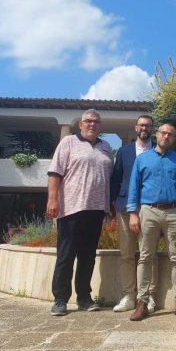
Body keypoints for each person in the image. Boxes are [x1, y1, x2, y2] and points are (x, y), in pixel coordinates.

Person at [127, 123, 176, 321]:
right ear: (156, 135)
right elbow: (134, 187)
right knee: (145, 257)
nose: (166, 136)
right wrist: (133, 213)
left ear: (174, 138)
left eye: (170, 134)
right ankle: (142, 303)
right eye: (163, 133)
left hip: (174, 212)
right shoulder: (142, 160)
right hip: (149, 211)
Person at [46, 109, 113, 316]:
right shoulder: (68, 142)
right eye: (88, 121)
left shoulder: (106, 147)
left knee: (88, 256)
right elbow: (55, 172)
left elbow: (108, 178)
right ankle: (60, 299)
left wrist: (109, 206)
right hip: (71, 208)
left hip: (96, 210)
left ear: (100, 126)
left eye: (96, 122)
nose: (92, 124)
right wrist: (52, 199)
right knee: (66, 255)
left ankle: (84, 297)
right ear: (81, 124)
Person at [109, 115, 159, 313]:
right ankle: (129, 296)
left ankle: (149, 297)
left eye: (148, 125)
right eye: (141, 125)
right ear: (135, 127)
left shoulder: (158, 151)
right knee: (127, 254)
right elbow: (116, 179)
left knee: (150, 255)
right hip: (125, 209)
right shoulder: (124, 151)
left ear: (152, 129)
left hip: (150, 209)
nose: (144, 128)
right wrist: (114, 204)